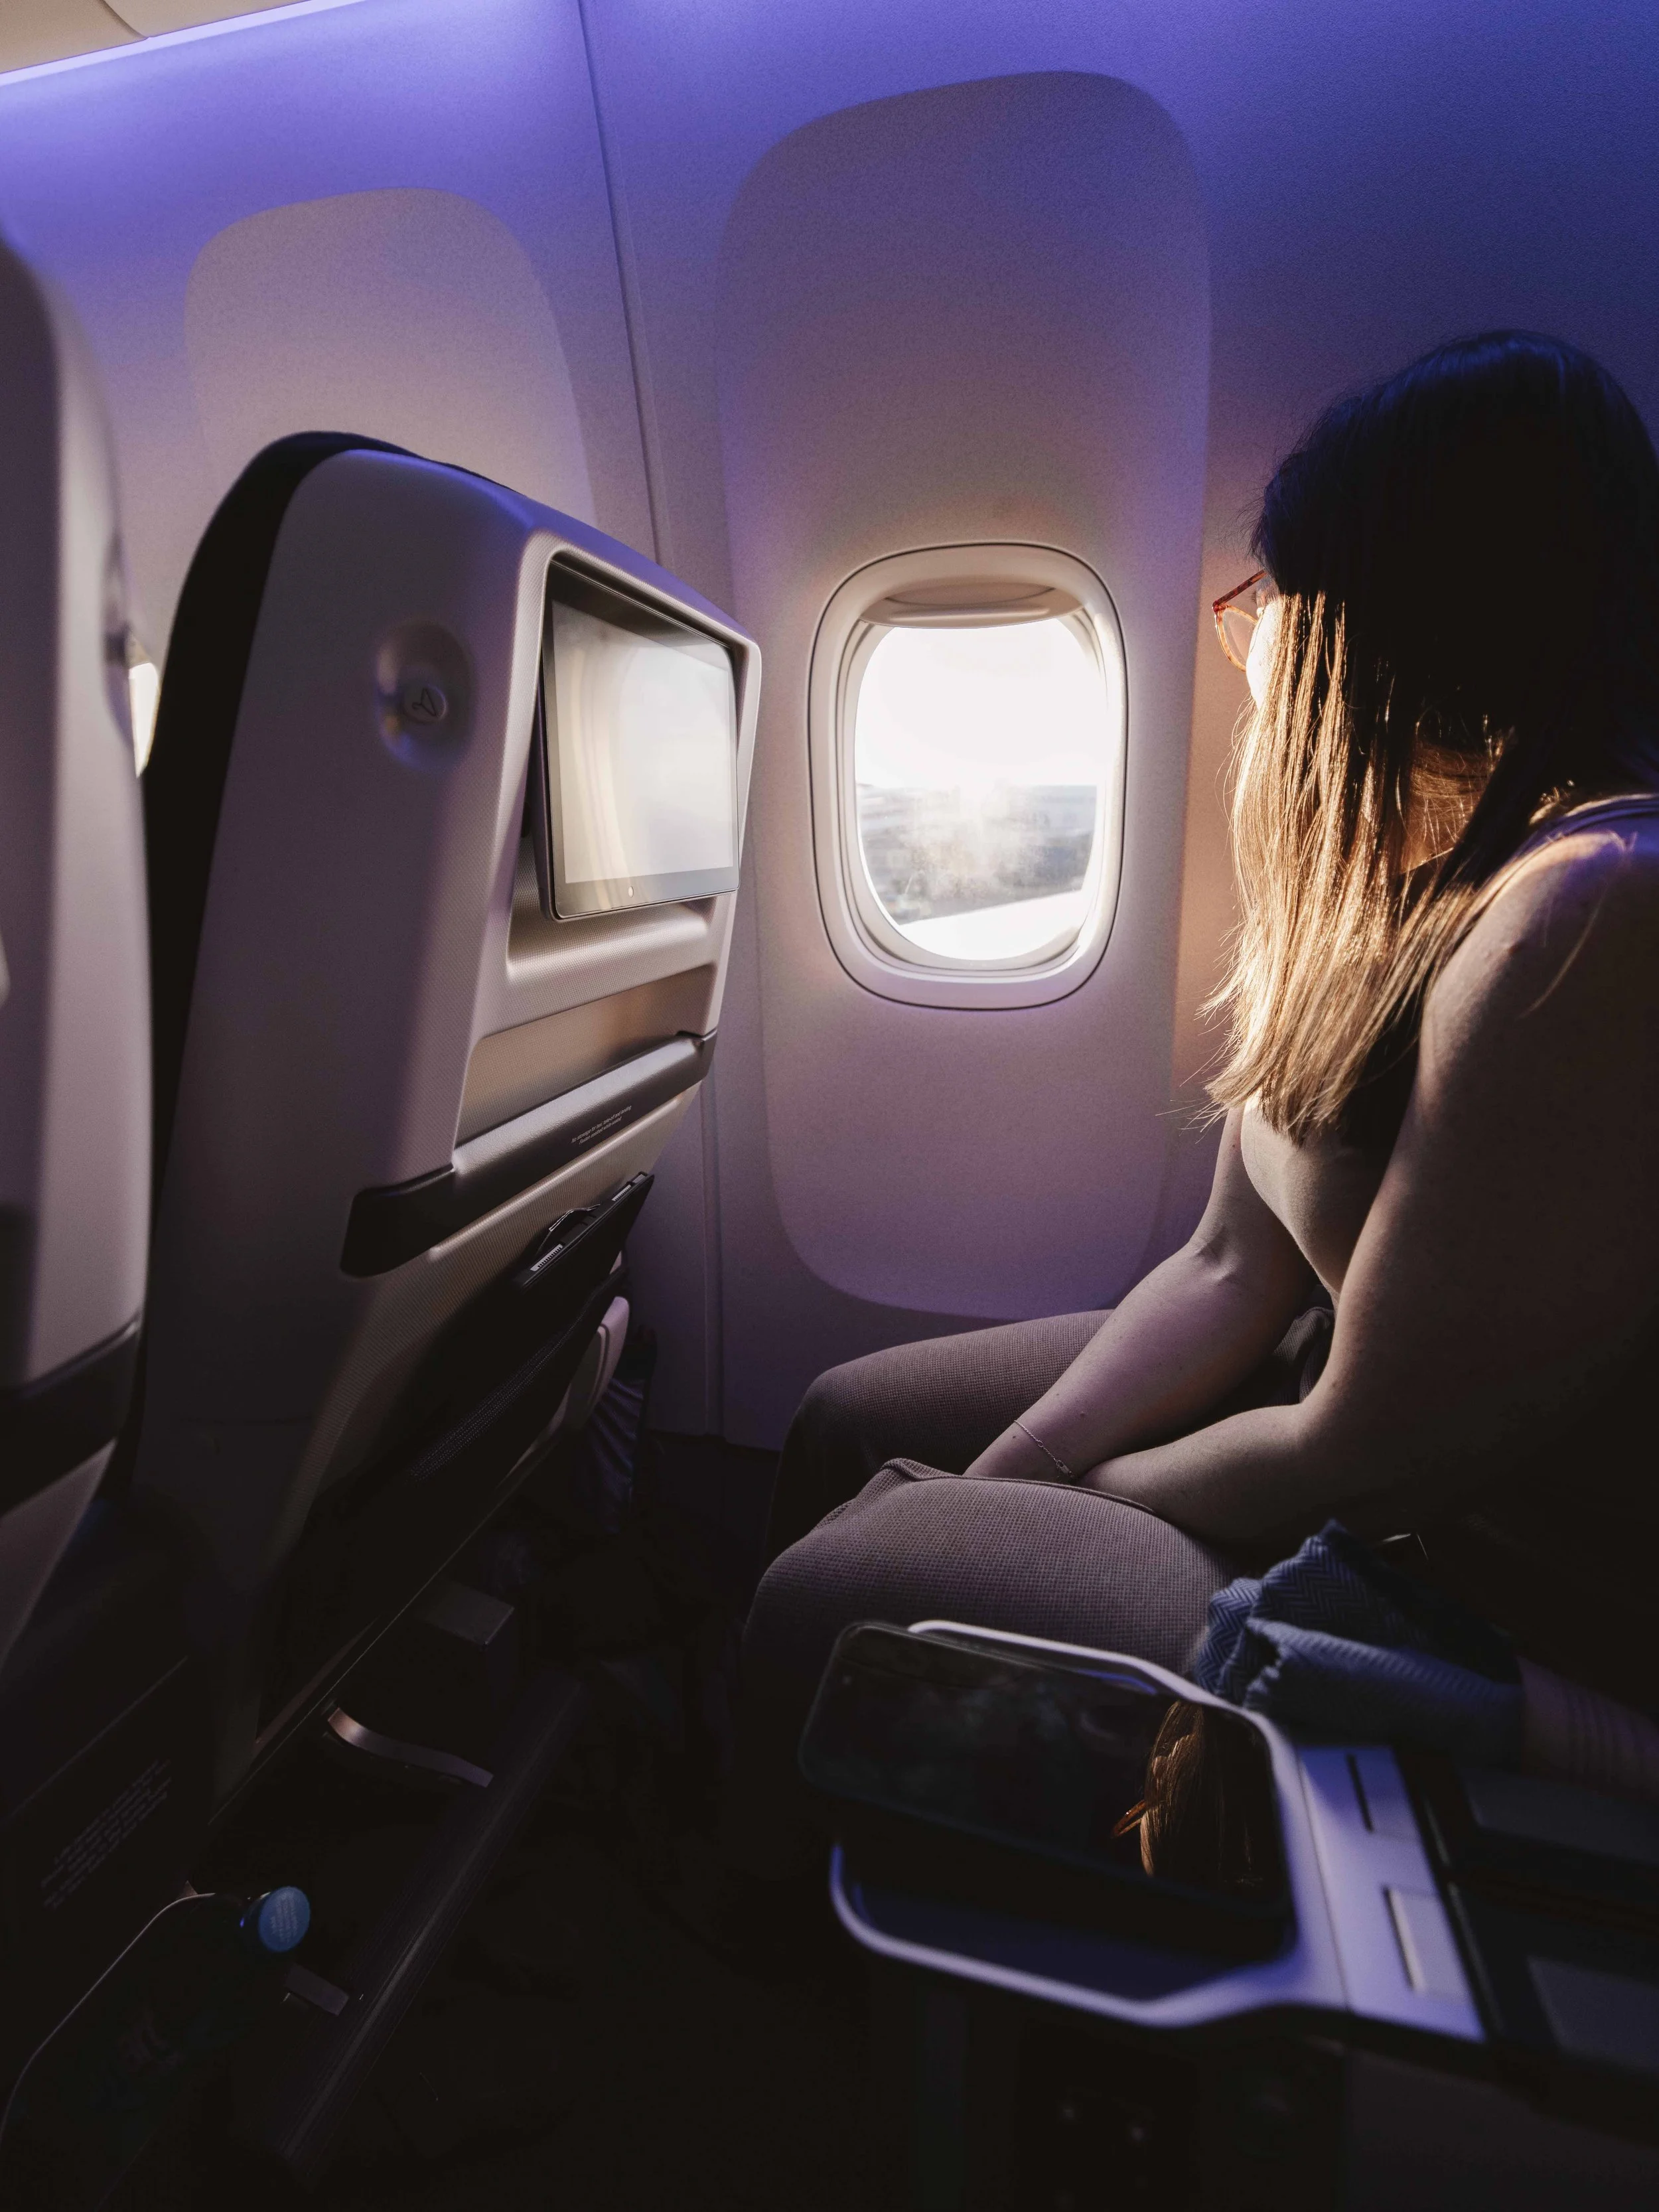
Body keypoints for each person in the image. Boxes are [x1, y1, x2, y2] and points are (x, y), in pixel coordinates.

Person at [731, 331, 1659, 1876]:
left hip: (1463, 1578)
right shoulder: (1421, 874)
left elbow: (1373, 1452)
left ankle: (780, 1978)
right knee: (847, 1429)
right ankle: (858, 1870)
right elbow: (1230, 1266)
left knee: (845, 1582)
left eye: (1286, 608)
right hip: (1325, 1431)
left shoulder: (1590, 914)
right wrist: (1018, 1484)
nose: (1263, 652)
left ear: (1428, 621)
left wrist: (1075, 1502)